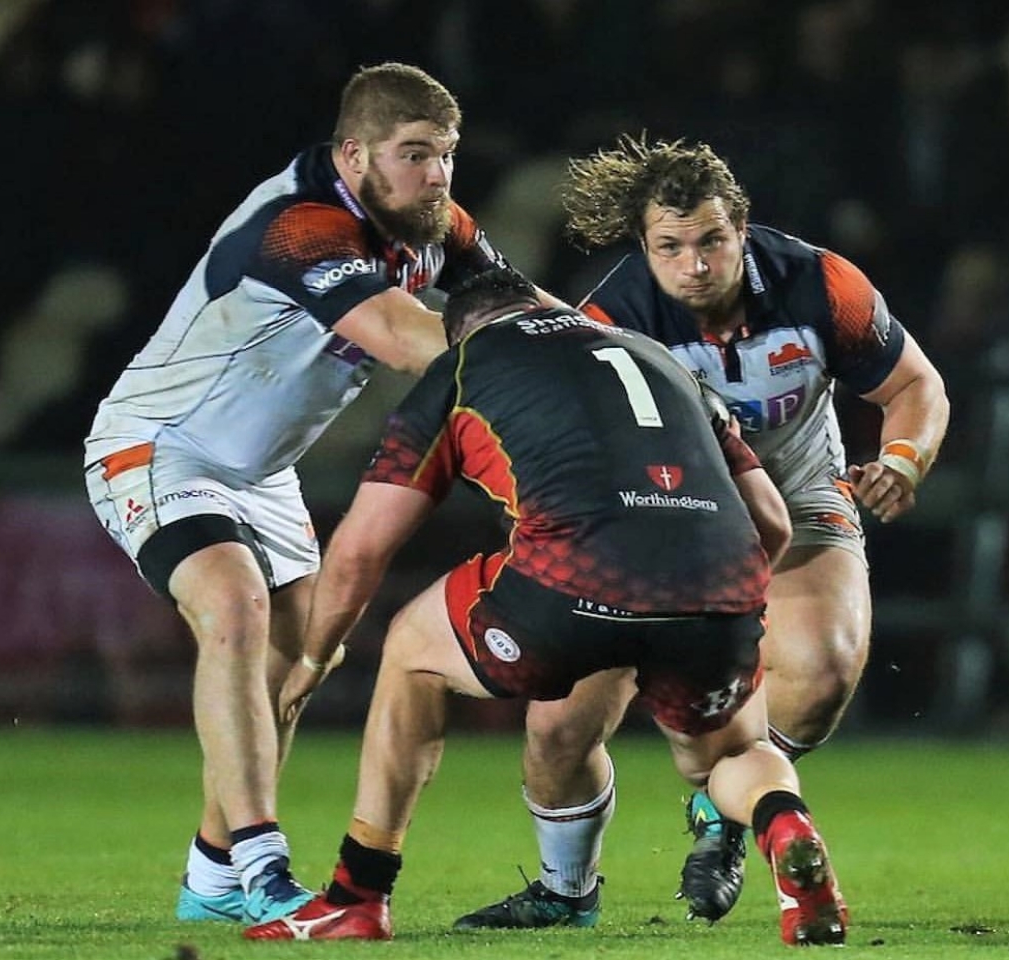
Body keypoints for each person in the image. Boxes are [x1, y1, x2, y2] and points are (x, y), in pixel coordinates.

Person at [81, 62, 557, 927]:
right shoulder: (298, 224)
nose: (438, 175)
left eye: (446, 154)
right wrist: (534, 364)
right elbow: (402, 336)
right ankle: (265, 867)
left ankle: (213, 875)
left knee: (303, 656)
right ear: (355, 154)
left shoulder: (432, 221)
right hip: (161, 444)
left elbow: (523, 305)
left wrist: (623, 360)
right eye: (414, 154)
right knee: (231, 607)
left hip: (261, 471)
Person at [244, 267, 844, 946]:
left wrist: (316, 654)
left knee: (413, 650)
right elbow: (772, 521)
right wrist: (701, 601)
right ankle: (785, 824)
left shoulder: (462, 367)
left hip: (577, 576)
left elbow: (360, 549)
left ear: (461, 329)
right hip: (721, 574)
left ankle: (358, 896)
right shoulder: (657, 357)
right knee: (735, 753)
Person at [454, 135, 950, 934]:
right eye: (670, 247)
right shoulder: (609, 321)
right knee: (558, 727)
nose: (694, 265)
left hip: (795, 492)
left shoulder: (820, 285)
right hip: (652, 522)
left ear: (742, 231)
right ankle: (565, 889)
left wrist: (904, 456)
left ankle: (722, 810)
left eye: (712, 241)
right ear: (645, 248)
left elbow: (916, 384)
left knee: (823, 670)